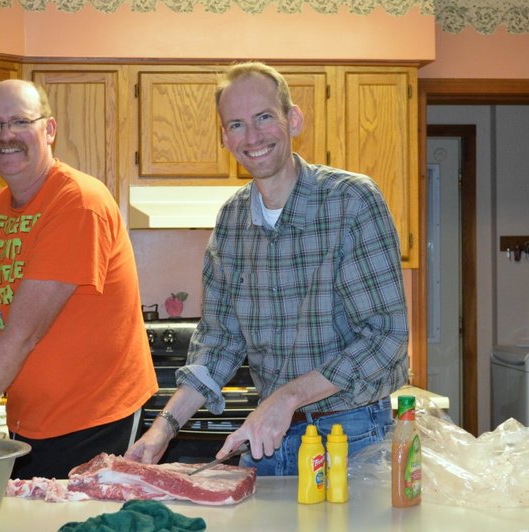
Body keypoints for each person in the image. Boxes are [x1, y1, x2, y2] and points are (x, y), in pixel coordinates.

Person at [125, 62, 409, 476]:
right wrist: (162, 430)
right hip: (269, 440)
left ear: (292, 119)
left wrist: (287, 397)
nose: (252, 137)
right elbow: (219, 342)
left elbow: (387, 337)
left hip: (353, 434)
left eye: (264, 118)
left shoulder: (350, 202)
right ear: (225, 137)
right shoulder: (232, 220)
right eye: (236, 125)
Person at [0, 79, 158, 480]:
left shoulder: (78, 202)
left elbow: (22, 334)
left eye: (19, 121)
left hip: (96, 419)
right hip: (28, 419)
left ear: (50, 130)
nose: (5, 135)